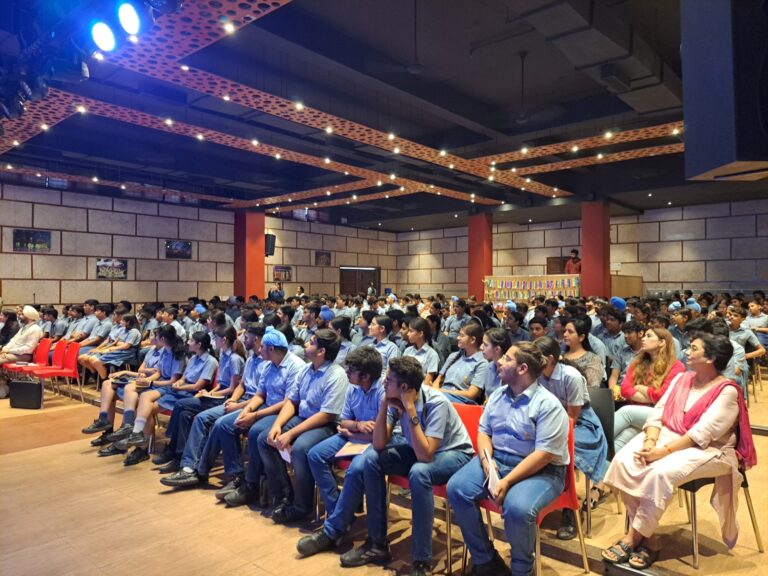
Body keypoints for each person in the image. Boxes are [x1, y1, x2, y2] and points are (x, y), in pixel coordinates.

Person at [602, 333, 756, 570]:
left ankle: (633, 537)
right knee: (624, 461)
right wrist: (650, 441)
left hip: (710, 450)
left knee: (657, 474)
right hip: (668, 435)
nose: (686, 352)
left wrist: (661, 452)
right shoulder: (682, 379)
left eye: (693, 349)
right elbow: (658, 412)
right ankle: (648, 539)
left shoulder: (727, 391)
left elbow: (702, 433)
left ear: (711, 358)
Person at [340, 356, 473, 576]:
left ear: (403, 388)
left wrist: (410, 410)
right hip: (420, 448)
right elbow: (379, 443)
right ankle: (377, 544)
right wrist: (384, 405)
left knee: (419, 472)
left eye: (388, 380)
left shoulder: (436, 403)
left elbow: (425, 456)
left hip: (454, 453)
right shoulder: (393, 399)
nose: (383, 383)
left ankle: (421, 560)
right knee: (372, 459)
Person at [447, 342, 569, 576]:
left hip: (541, 470)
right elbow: (484, 432)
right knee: (457, 488)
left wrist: (507, 480)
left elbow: (544, 454)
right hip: (498, 460)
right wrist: (487, 462)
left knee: (517, 509)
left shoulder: (548, 405)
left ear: (522, 369)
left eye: (507, 359)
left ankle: (522, 570)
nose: (499, 362)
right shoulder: (498, 395)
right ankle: (486, 561)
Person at [296, 346, 386, 558]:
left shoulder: (383, 391)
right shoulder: (353, 387)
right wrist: (357, 426)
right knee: (315, 455)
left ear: (366, 376)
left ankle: (334, 526)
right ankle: (340, 512)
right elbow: (344, 420)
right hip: (353, 435)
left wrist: (352, 430)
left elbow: (382, 435)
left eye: (351, 370)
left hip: (375, 442)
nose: (346, 372)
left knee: (356, 468)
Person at [258, 329, 349, 523]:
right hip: (303, 418)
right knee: (265, 439)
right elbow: (292, 401)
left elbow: (326, 415)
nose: (306, 343)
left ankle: (302, 506)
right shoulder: (306, 369)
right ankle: (284, 496)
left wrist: (290, 434)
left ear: (321, 351)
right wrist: (278, 425)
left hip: (326, 425)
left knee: (300, 448)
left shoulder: (336, 374)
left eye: (312, 342)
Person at [534, 336, 608, 539]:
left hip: (582, 424)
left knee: (560, 448)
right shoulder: (537, 374)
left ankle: (570, 507)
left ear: (549, 359)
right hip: (550, 423)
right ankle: (538, 496)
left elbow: (572, 418)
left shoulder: (571, 376)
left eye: (535, 357)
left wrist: (548, 433)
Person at [614, 327, 685, 451]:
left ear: (661, 342)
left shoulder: (676, 366)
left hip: (659, 414)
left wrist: (639, 387)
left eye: (649, 336)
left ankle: (594, 439)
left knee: (626, 411)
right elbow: (624, 390)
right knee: (620, 440)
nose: (643, 339)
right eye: (644, 335)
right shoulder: (637, 362)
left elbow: (661, 396)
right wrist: (650, 396)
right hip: (639, 414)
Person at [433, 323, 488, 404]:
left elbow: (472, 394)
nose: (458, 338)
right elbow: (438, 380)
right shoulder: (453, 356)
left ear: (472, 340)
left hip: (461, 401)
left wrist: (442, 391)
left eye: (462, 335)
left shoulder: (482, 363)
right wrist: (435, 391)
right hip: (441, 396)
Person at [562, 317, 604, 388]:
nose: (565, 334)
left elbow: (593, 387)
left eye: (570, 332)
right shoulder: (560, 356)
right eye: (564, 331)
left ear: (581, 337)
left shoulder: (592, 359)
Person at [403, 317, 440, 385]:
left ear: (421, 334)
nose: (408, 334)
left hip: (420, 388)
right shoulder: (407, 350)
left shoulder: (432, 354)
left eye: (411, 331)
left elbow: (427, 382)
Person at [480, 327, 511, 398]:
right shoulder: (489, 366)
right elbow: (487, 396)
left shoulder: (509, 371)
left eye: (485, 345)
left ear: (497, 349)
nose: (481, 347)